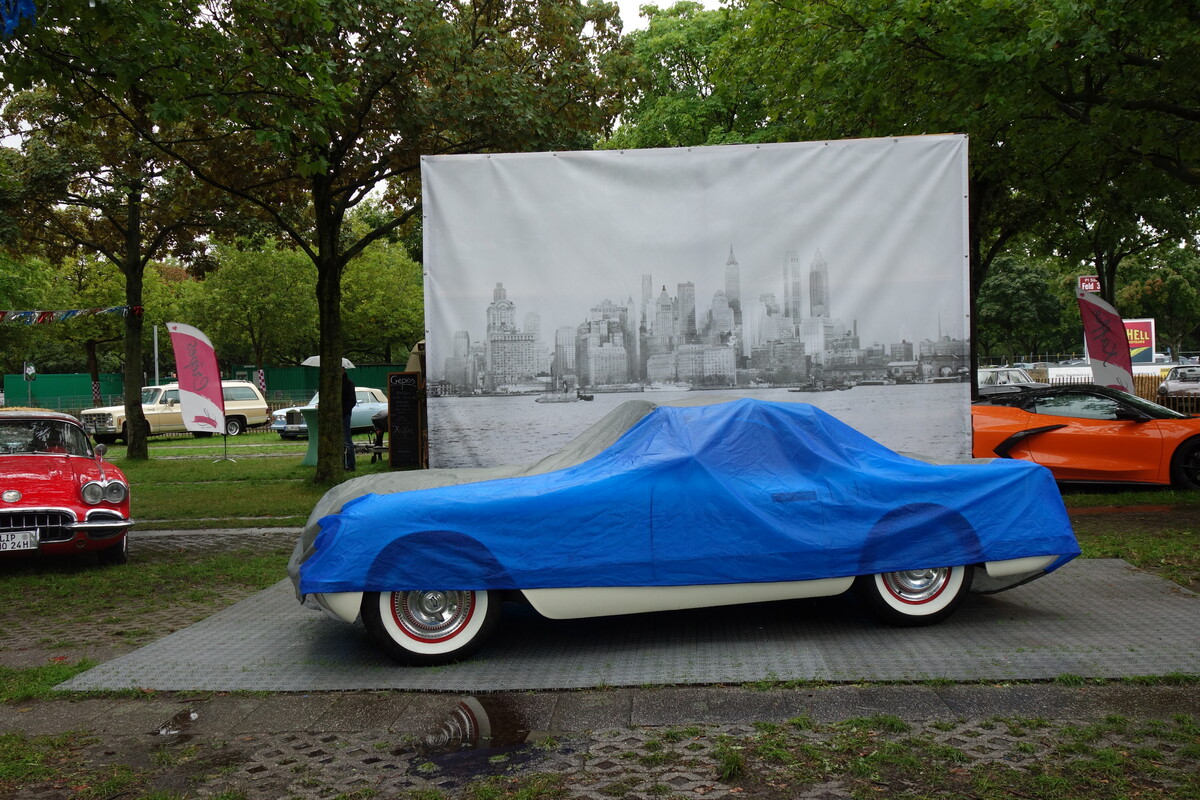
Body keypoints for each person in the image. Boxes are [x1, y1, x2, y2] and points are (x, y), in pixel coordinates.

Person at [342, 366, 357, 471]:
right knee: (343, 441)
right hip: (340, 414)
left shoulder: (348, 383)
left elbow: (352, 401)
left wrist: (343, 412)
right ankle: (343, 464)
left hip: (344, 414)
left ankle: (351, 465)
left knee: (347, 441)